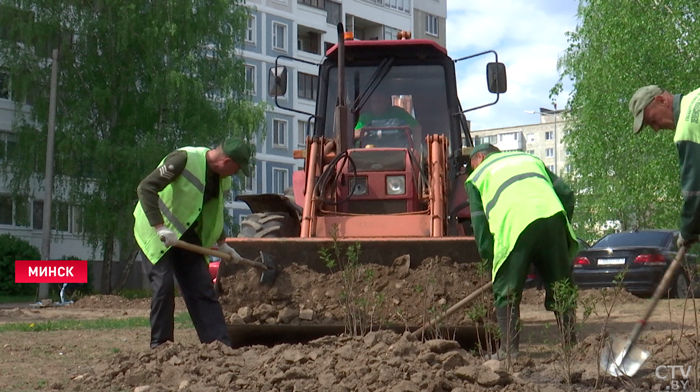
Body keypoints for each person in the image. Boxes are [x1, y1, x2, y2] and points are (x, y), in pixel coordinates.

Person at [133, 138, 253, 349]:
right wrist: (160, 227)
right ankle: (161, 347)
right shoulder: (184, 159)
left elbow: (211, 213)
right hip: (156, 231)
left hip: (186, 234)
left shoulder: (221, 178)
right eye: (237, 169)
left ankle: (219, 346)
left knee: (202, 286)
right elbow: (145, 188)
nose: (236, 174)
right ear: (226, 161)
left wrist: (222, 243)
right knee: (163, 286)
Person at [465, 143, 580, 360]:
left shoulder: (477, 176)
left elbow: (481, 227)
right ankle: (570, 346)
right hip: (553, 217)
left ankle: (509, 352)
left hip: (515, 226)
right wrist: (561, 228)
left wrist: (492, 263)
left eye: (471, 165)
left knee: (507, 291)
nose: (472, 170)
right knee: (561, 285)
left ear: (479, 157)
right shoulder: (530, 160)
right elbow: (566, 194)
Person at [629, 85, 700, 249]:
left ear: (662, 100)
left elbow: (695, 192)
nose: (655, 128)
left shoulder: (687, 128)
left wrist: (688, 232)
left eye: (652, 120)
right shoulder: (695, 95)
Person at [354, 89, 422, 151]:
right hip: (371, 156)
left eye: (380, 101)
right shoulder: (365, 118)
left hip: (398, 155)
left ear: (387, 101)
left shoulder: (398, 113)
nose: (377, 104)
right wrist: (363, 132)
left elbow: (417, 128)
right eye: (374, 101)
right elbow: (355, 134)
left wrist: (416, 151)